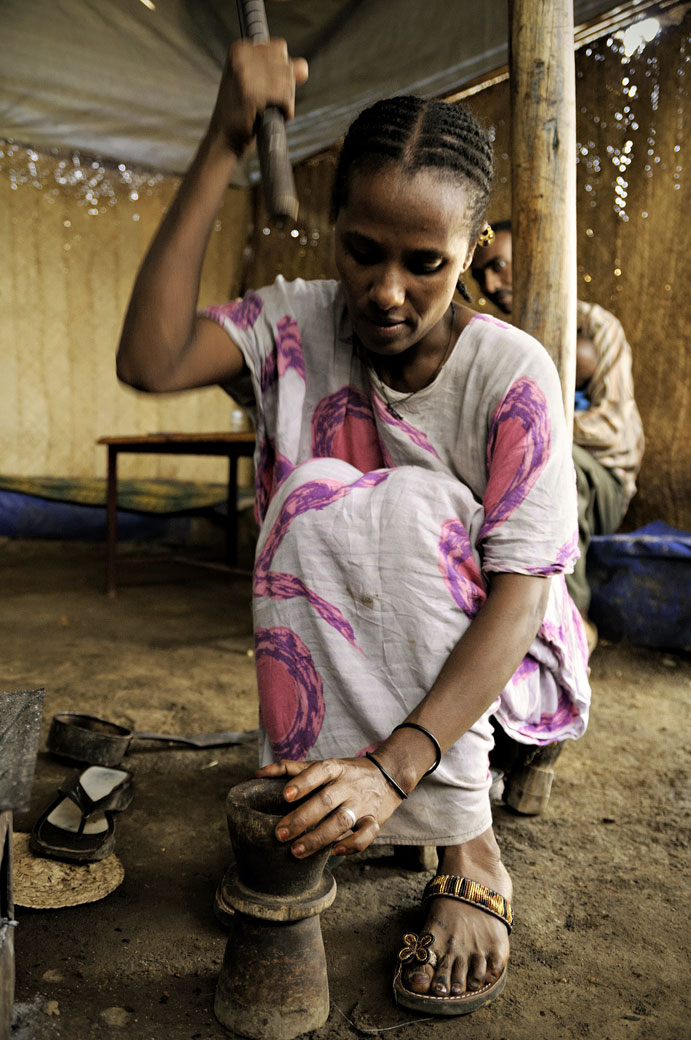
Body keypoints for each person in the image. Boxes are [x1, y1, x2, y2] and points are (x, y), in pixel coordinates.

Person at [116, 39, 590, 1017]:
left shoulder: (511, 377)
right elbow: (151, 357)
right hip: (354, 666)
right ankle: (321, 794)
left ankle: (467, 840)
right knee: (318, 496)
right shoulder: (298, 325)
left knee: (405, 502)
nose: (386, 291)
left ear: (469, 252)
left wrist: (394, 765)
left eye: (426, 265)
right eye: (363, 252)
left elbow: (520, 597)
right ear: (332, 228)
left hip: (490, 671)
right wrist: (221, 142)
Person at [471, 221, 645, 645]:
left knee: (559, 469)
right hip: (543, 462)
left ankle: (574, 624)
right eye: (482, 276)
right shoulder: (507, 340)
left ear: (530, 258)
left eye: (499, 266)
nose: (492, 284)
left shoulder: (597, 326)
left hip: (603, 480)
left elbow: (615, 429)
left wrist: (535, 428)